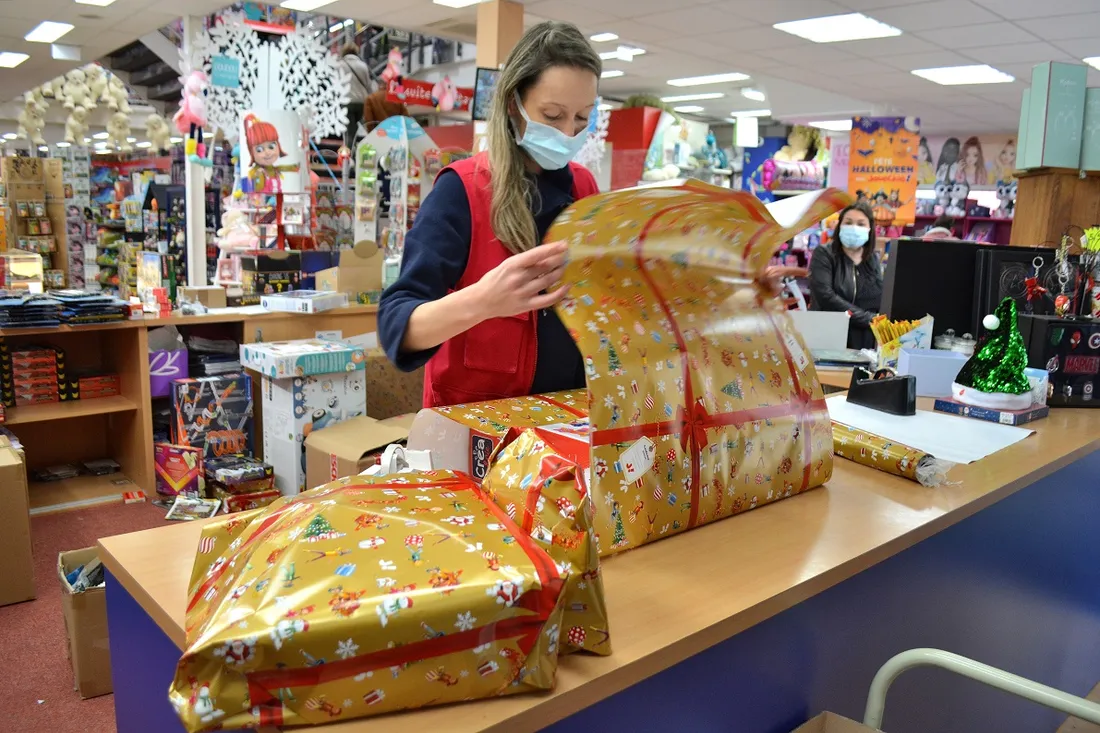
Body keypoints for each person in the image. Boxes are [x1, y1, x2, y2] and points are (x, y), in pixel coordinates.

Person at [378, 21, 602, 408]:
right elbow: (396, 327)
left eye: (582, 118)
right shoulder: (461, 190)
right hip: (479, 436)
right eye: (552, 115)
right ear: (514, 105)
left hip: (566, 426)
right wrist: (483, 300)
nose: (568, 133)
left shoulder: (584, 191)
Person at [808, 201, 883, 350]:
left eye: (861, 224)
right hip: (829, 336)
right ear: (839, 226)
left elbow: (877, 297)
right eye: (848, 222)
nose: (854, 228)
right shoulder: (824, 254)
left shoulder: (872, 258)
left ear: (870, 229)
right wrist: (868, 319)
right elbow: (826, 296)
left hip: (864, 342)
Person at [337, 43, 373, 146]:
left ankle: (349, 155)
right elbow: (368, 85)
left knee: (349, 131)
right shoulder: (363, 66)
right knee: (366, 129)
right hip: (361, 102)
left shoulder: (340, 65)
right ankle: (364, 147)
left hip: (346, 101)